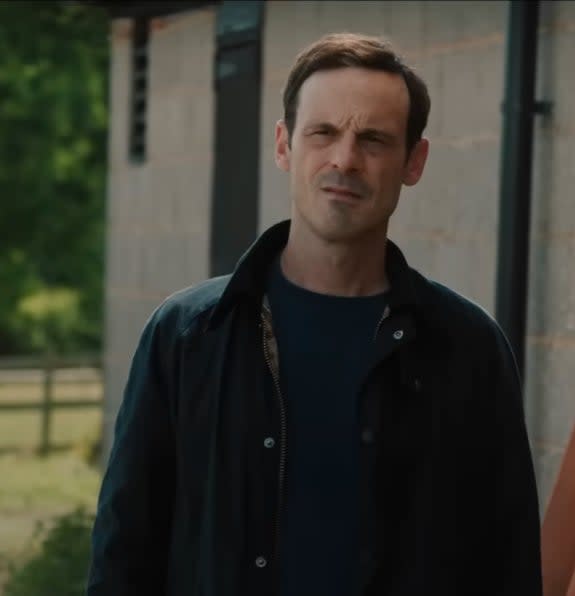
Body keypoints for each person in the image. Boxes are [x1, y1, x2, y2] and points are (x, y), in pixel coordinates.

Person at [87, 33, 543, 595]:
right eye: (322, 132)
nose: (345, 159)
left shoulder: (467, 346)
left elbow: (507, 560)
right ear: (283, 145)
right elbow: (125, 550)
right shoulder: (187, 335)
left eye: (373, 139)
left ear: (413, 162)